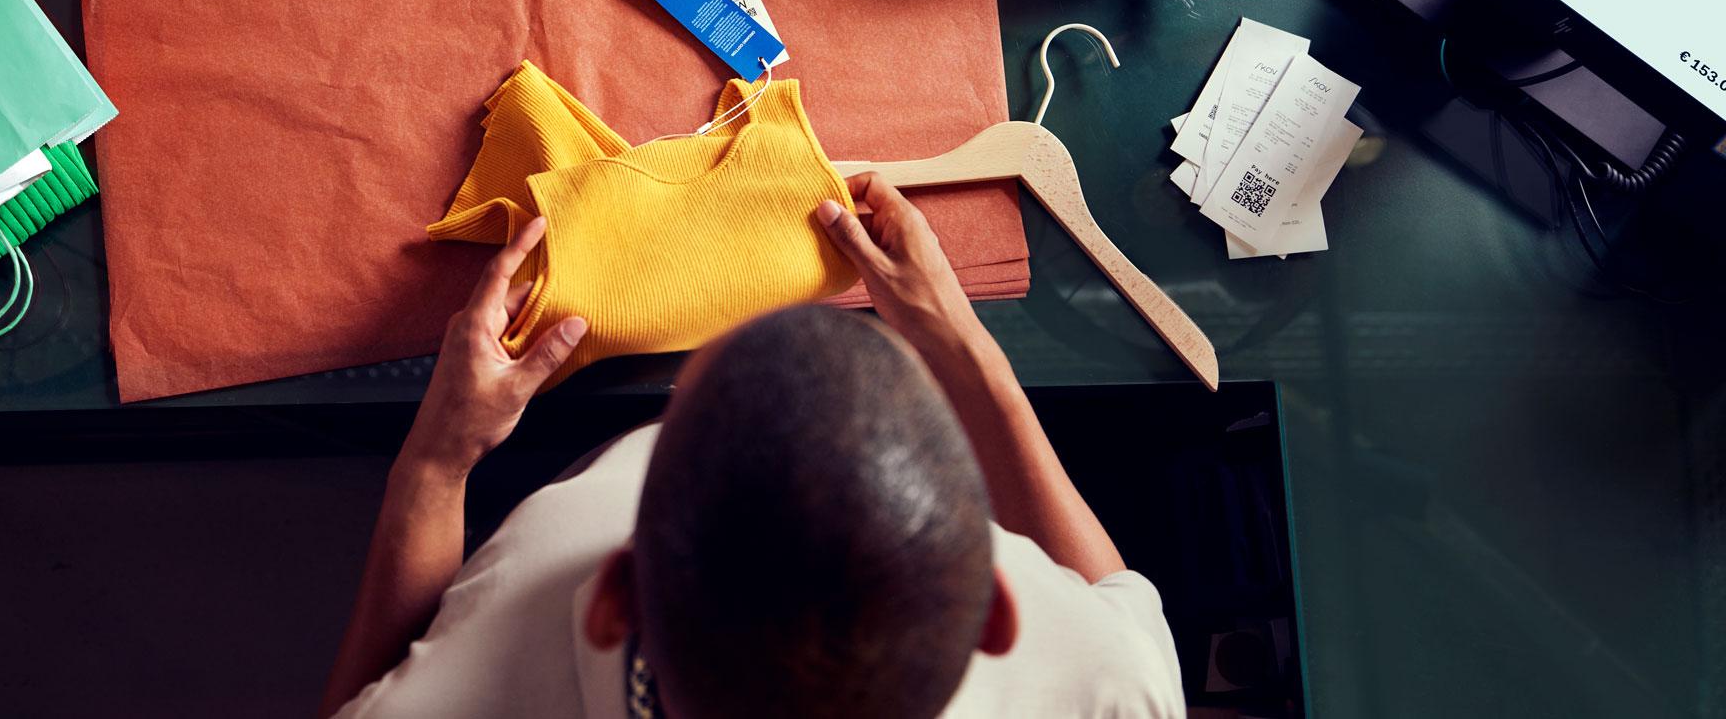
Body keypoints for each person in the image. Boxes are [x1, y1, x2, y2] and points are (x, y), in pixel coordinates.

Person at [320, 174, 1183, 717]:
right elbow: (1111, 596)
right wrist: (963, 349)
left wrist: (437, 461)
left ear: (614, 596)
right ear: (999, 609)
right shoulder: (1110, 686)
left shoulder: (503, 636)